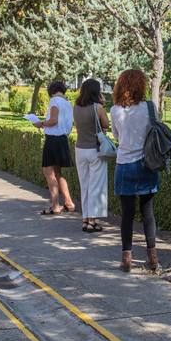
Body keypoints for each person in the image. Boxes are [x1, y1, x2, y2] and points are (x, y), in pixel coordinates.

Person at [110, 69, 160, 273]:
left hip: (124, 164)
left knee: (127, 215)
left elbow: (116, 135)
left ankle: (126, 259)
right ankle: (152, 257)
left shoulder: (115, 110)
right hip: (147, 164)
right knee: (148, 213)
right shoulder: (149, 108)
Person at [34, 81, 76, 215]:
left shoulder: (54, 101)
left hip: (53, 139)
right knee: (58, 172)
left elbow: (53, 121)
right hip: (63, 139)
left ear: (51, 90)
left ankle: (55, 205)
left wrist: (40, 123)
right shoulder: (68, 103)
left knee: (48, 171)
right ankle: (69, 202)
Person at [73, 78, 110, 232]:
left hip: (80, 148)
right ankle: (92, 221)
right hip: (95, 150)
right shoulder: (98, 107)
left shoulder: (75, 106)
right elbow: (106, 124)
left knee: (85, 185)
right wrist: (103, 104)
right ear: (97, 91)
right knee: (96, 185)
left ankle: (85, 218)